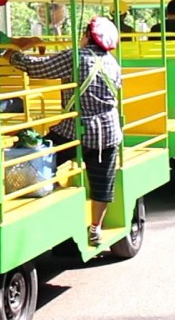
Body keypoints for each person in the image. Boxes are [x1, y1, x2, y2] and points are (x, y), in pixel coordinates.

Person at [8, 16, 122, 247]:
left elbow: (39, 67)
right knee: (102, 184)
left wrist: (12, 56)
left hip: (74, 130)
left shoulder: (76, 56)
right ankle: (95, 228)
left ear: (88, 36)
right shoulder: (113, 63)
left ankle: (48, 204)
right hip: (108, 131)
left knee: (35, 164)